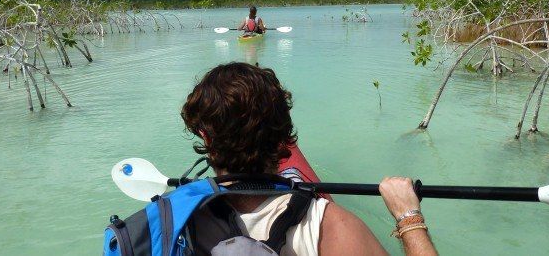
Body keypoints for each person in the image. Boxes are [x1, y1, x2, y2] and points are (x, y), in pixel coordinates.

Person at [181, 62, 438, 256]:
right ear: (282, 134)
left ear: (206, 138)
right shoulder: (332, 226)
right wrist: (409, 218)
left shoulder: (176, 219)